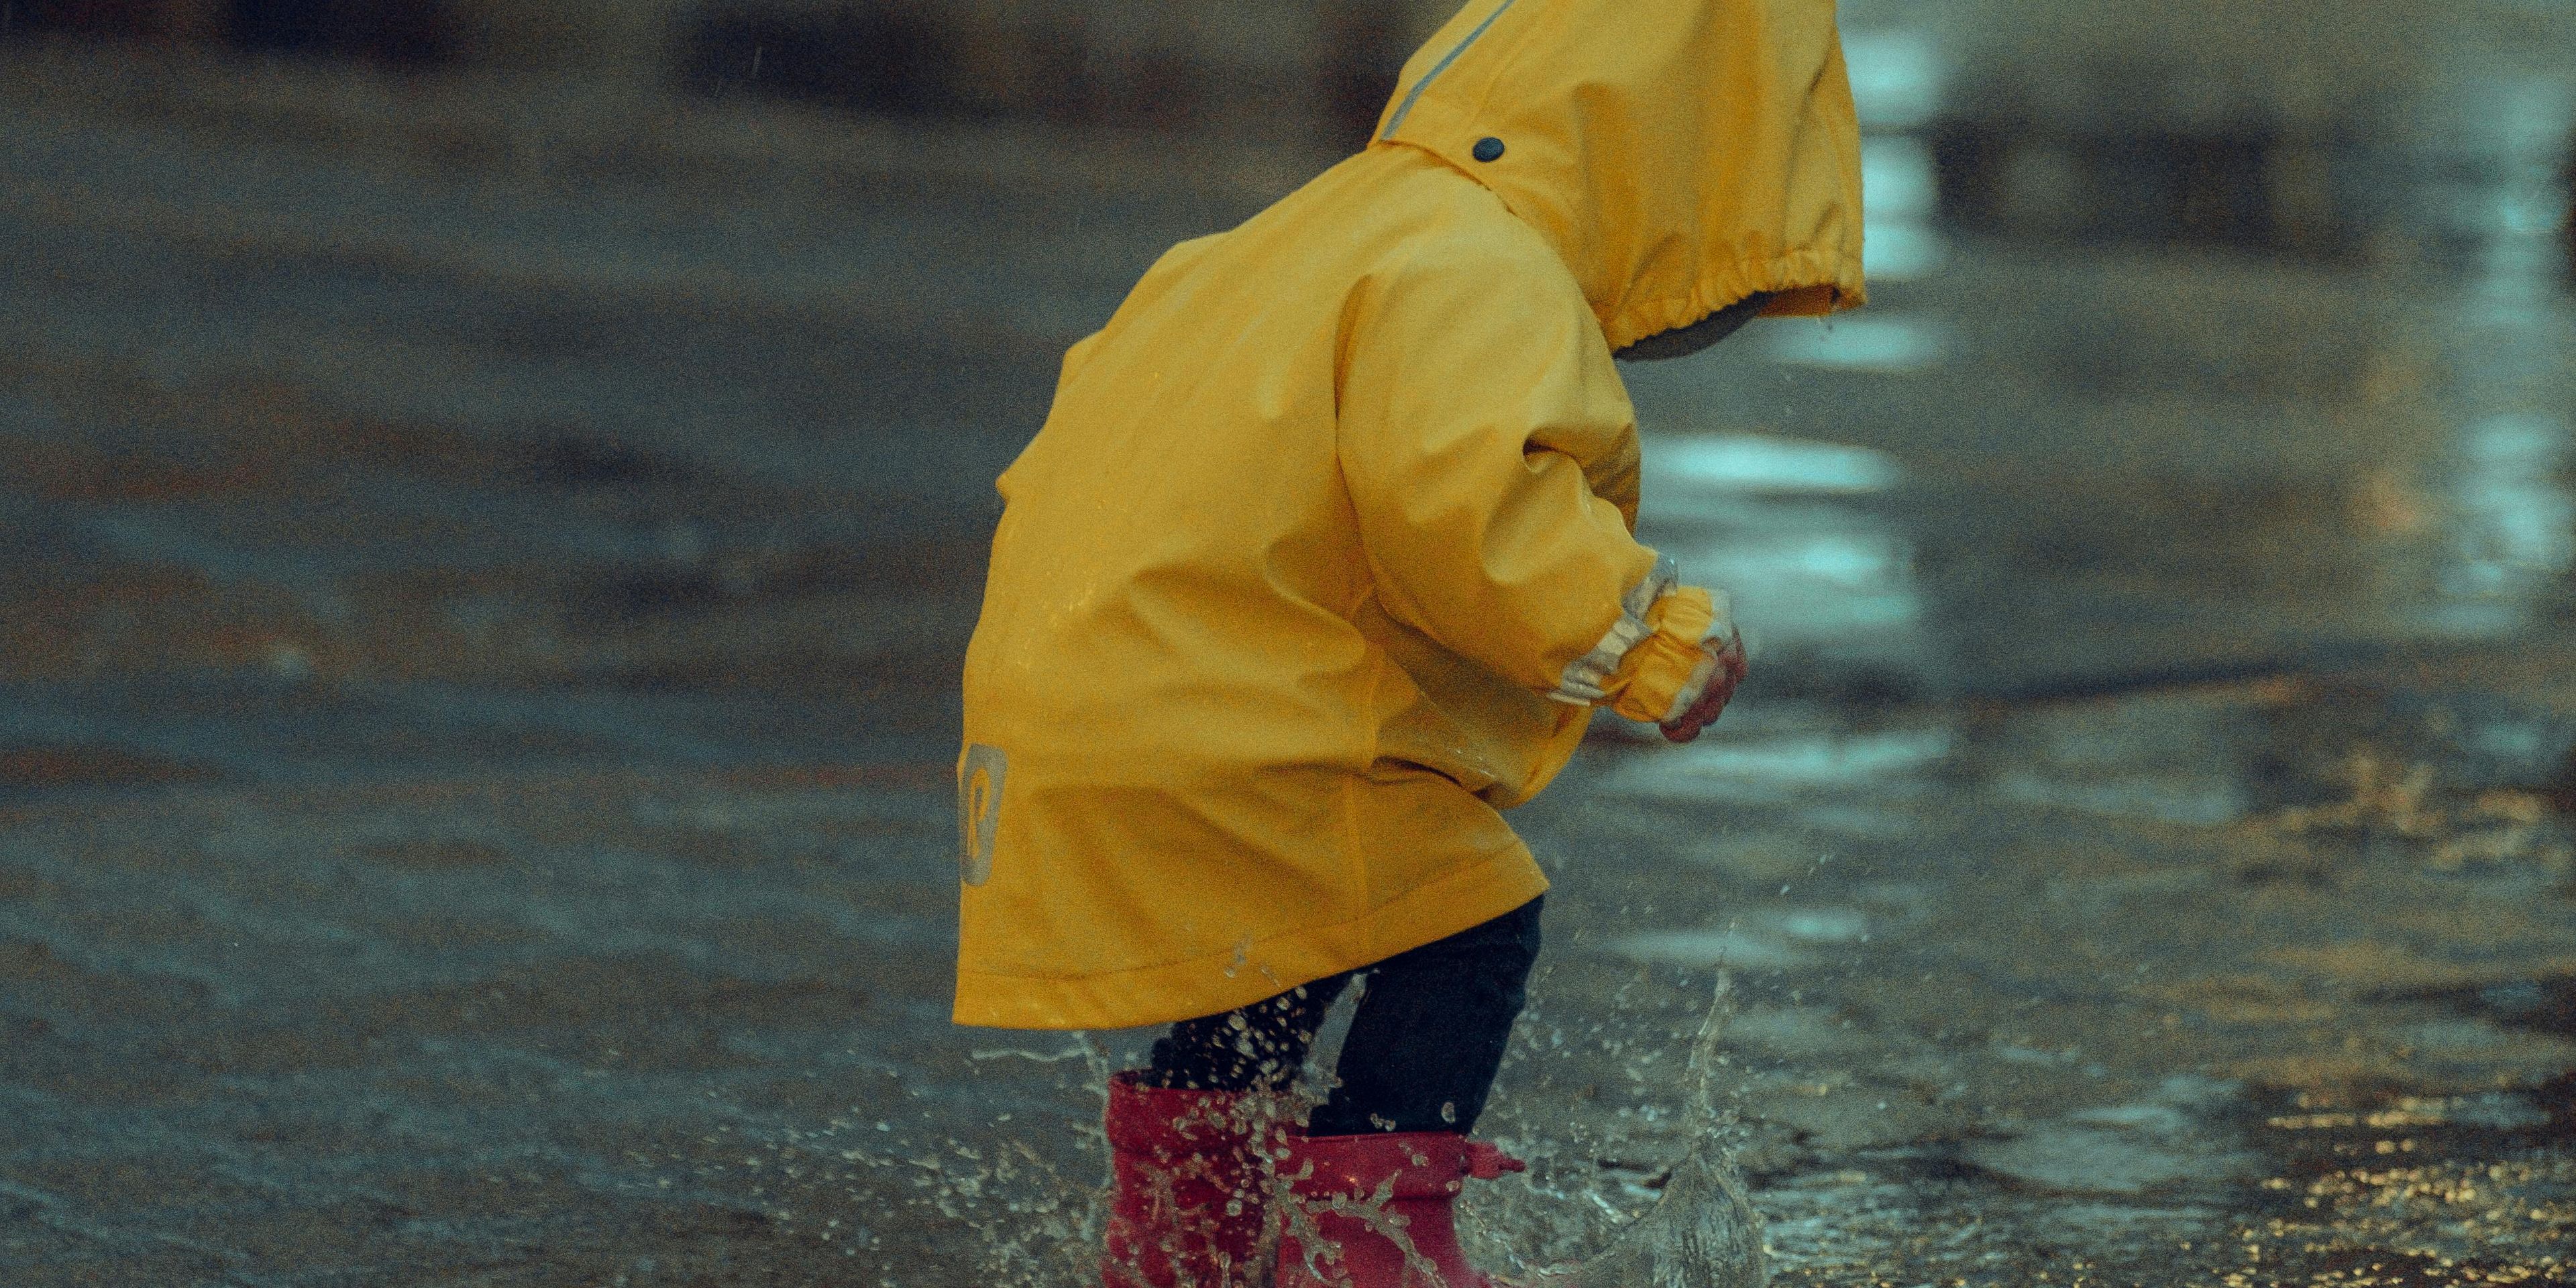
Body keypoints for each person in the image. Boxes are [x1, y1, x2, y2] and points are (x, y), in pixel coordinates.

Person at [955, 0, 1864, 1281]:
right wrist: (1649, 637)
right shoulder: (1474, 262)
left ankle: (1181, 1235)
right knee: (1467, 920)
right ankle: (1369, 1242)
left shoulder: (1306, 233)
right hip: (1243, 709)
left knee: (1272, 948)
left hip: (1109, 685)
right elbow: (1462, 493)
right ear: (1645, 157)